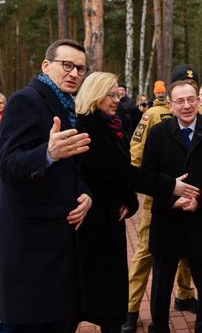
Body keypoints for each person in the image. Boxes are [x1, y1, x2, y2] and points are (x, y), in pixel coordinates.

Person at [74, 72, 191, 332]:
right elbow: (120, 172)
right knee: (94, 289)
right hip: (94, 219)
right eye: (110, 94)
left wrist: (128, 199)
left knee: (110, 288)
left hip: (111, 214)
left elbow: (121, 172)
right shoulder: (88, 128)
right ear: (95, 93)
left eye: (118, 94)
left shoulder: (110, 124)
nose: (116, 100)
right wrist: (170, 185)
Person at [0, 39, 93, 332]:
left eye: (80, 68)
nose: (74, 73)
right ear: (45, 65)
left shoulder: (66, 105)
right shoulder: (25, 100)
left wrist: (86, 194)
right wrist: (46, 154)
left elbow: (71, 168)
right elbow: (7, 165)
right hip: (32, 248)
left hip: (59, 241)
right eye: (67, 65)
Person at [143, 80, 202, 333]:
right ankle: (159, 327)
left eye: (191, 99)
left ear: (199, 100)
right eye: (180, 101)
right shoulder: (158, 134)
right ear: (170, 104)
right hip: (168, 220)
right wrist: (173, 197)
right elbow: (147, 175)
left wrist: (201, 197)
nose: (186, 106)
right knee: (161, 284)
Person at [122, 73, 198, 333]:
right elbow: (135, 154)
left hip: (191, 198)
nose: (187, 102)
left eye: (194, 90)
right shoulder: (153, 115)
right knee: (145, 253)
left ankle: (185, 294)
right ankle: (131, 309)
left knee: (188, 253)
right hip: (159, 199)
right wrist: (130, 190)